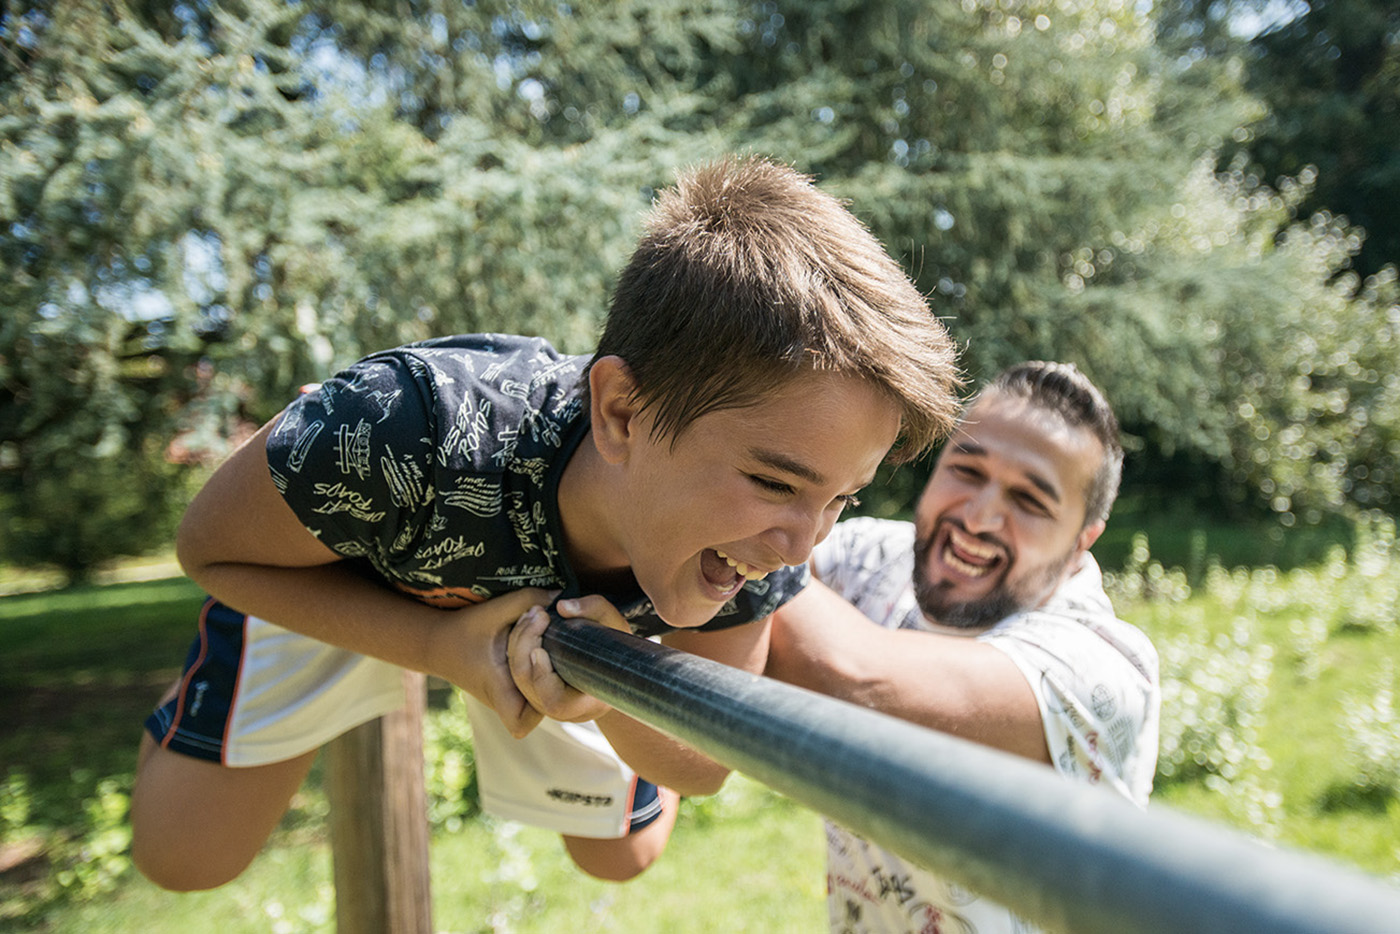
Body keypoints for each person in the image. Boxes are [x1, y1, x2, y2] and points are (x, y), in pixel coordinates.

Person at [130, 155, 962, 891]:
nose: (804, 543)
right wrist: (434, 646)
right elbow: (208, 550)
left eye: (842, 498)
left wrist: (607, 697)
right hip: (357, 556)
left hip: (548, 613)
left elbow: (706, 765)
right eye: (774, 481)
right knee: (185, 859)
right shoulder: (397, 426)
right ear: (622, 414)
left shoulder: (765, 540)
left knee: (621, 857)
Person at [764, 361, 1160, 934]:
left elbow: (850, 675)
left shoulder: (1100, 666)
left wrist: (740, 541)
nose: (978, 516)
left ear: (1082, 542)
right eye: (967, 471)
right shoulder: (878, 561)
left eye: (1030, 500)